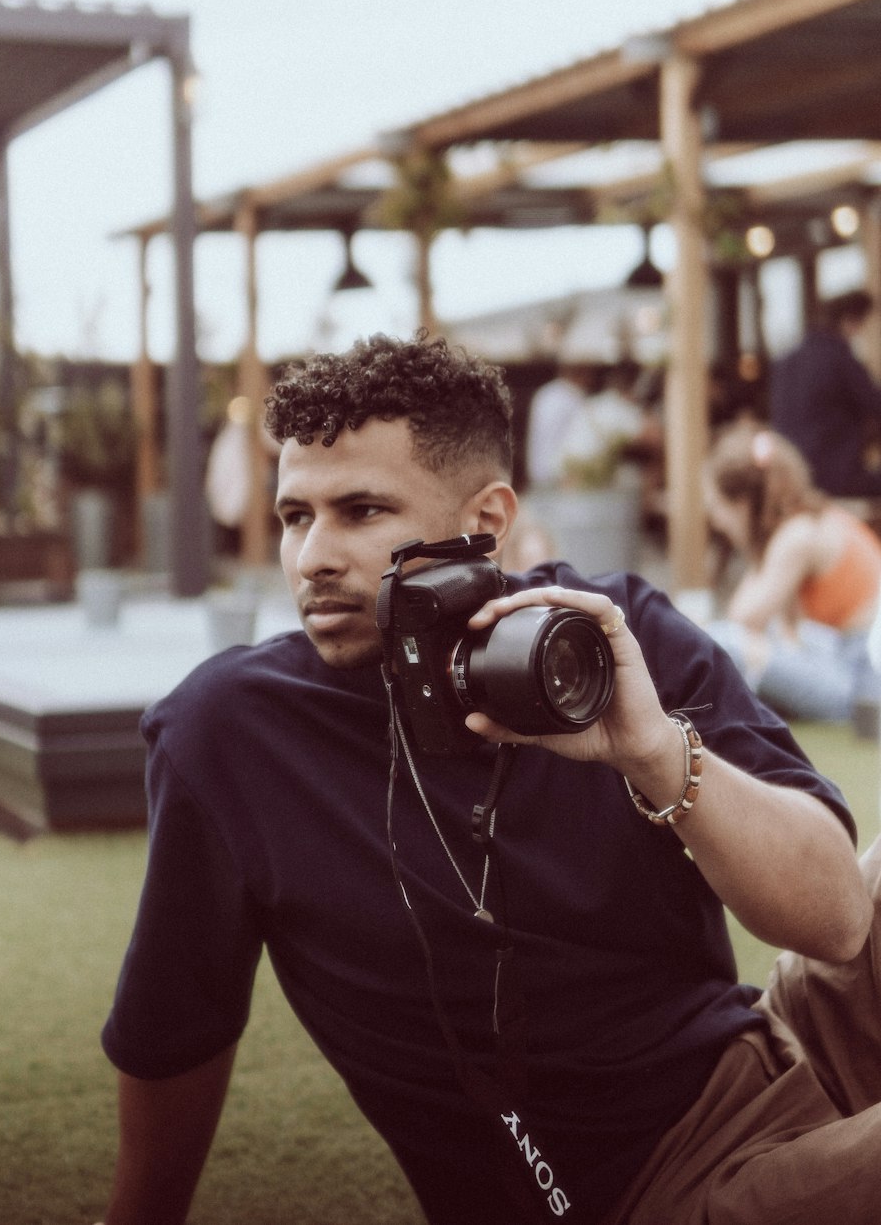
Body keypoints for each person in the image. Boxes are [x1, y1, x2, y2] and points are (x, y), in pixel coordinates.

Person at [100, 333, 877, 1225]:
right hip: (664, 1192)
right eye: (294, 516)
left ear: (486, 521)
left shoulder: (616, 633)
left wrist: (656, 753)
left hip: (772, 1048)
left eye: (361, 511)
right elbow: (176, 1030)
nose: (314, 556)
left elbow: (837, 922)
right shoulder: (232, 732)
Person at [704, 419, 881, 724]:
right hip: (850, 657)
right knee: (748, 640)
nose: (717, 521)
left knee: (723, 641)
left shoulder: (797, 536)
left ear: (744, 502)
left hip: (863, 687)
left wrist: (751, 547)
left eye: (719, 508)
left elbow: (743, 618)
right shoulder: (814, 518)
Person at [770, 288, 881, 496]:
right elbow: (876, 404)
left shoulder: (787, 360)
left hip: (792, 478)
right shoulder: (840, 359)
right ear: (849, 320)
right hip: (834, 479)